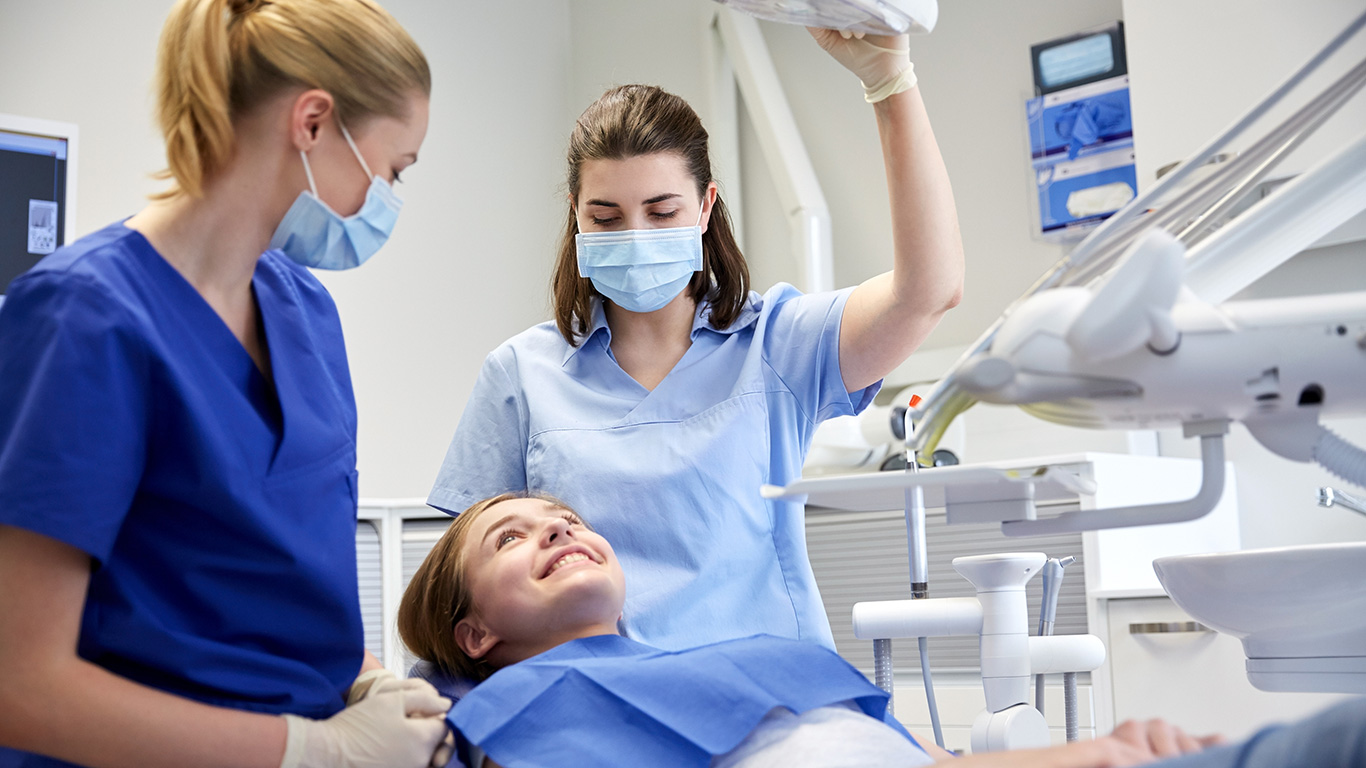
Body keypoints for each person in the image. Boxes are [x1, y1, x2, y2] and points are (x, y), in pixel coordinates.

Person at [0, 1, 450, 766]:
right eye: (394, 168)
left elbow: (268, 596)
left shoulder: (304, 311)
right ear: (312, 123)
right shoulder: (85, 319)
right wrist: (307, 752)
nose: (387, 201)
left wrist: (363, 686)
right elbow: (19, 684)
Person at [429, 29, 966, 653]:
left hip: (773, 701)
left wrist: (890, 83)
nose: (634, 234)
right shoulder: (521, 375)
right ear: (575, 212)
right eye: (605, 218)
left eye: (662, 213)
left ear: (706, 207)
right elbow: (458, 593)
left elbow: (929, 291)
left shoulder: (776, 344)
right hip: (603, 708)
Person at [400, 492, 1366, 768]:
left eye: (565, 518)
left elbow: (926, 760)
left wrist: (1100, 749)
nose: (558, 529)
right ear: (473, 633)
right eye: (512, 536)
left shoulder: (726, 658)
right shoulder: (502, 717)